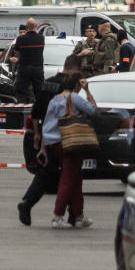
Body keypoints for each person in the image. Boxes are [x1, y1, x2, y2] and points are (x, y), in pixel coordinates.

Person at [16, 54, 82, 226]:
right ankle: (71, 213)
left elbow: (36, 113)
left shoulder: (47, 83)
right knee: (68, 174)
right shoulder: (68, 88)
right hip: (65, 136)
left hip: (47, 135)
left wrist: (38, 136)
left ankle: (29, 203)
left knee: (50, 173)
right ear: (75, 69)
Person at [41, 72, 97, 229]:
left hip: (54, 143)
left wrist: (43, 147)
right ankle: (57, 216)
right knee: (67, 179)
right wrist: (88, 91)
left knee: (75, 178)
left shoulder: (55, 99)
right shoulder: (75, 97)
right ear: (77, 85)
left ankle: (79, 216)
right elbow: (93, 110)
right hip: (71, 142)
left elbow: (46, 124)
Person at [12, 17, 45, 102]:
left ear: (26, 27)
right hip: (38, 69)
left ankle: (21, 112)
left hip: (24, 68)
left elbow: (17, 52)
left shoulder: (20, 39)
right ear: (36, 26)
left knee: (21, 92)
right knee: (39, 91)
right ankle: (39, 111)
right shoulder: (41, 38)